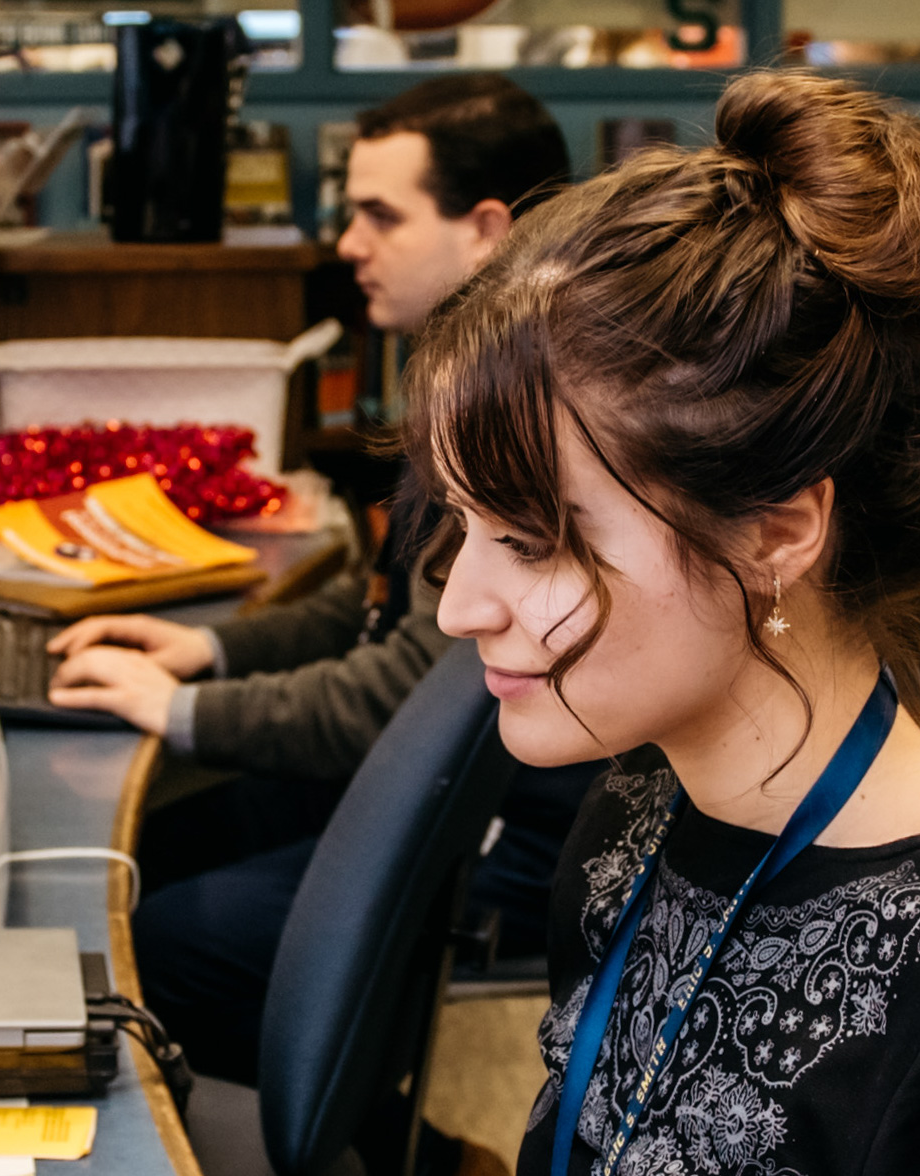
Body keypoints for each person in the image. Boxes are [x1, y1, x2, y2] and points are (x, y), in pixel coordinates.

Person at [422, 73, 920, 1173]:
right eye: (465, 530)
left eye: (533, 544)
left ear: (777, 533)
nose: (456, 606)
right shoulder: (632, 820)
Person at [44, 71, 575, 1084]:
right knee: (156, 839)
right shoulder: (462, 370)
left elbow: (405, 683)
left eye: (380, 216)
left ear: (488, 231)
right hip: (421, 780)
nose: (347, 245)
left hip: (493, 832)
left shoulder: (518, 406)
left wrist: (184, 711)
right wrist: (208, 650)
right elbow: (376, 608)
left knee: (164, 935)